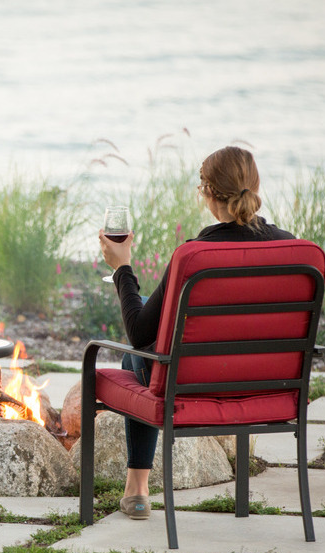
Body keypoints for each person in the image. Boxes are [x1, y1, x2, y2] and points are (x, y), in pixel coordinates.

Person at [98, 146, 295, 520]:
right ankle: (138, 490)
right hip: (271, 386)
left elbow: (140, 334)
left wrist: (122, 267)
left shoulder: (195, 255)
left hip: (194, 387)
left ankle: (137, 490)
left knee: (135, 356)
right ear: (255, 187)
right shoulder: (293, 248)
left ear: (207, 193)